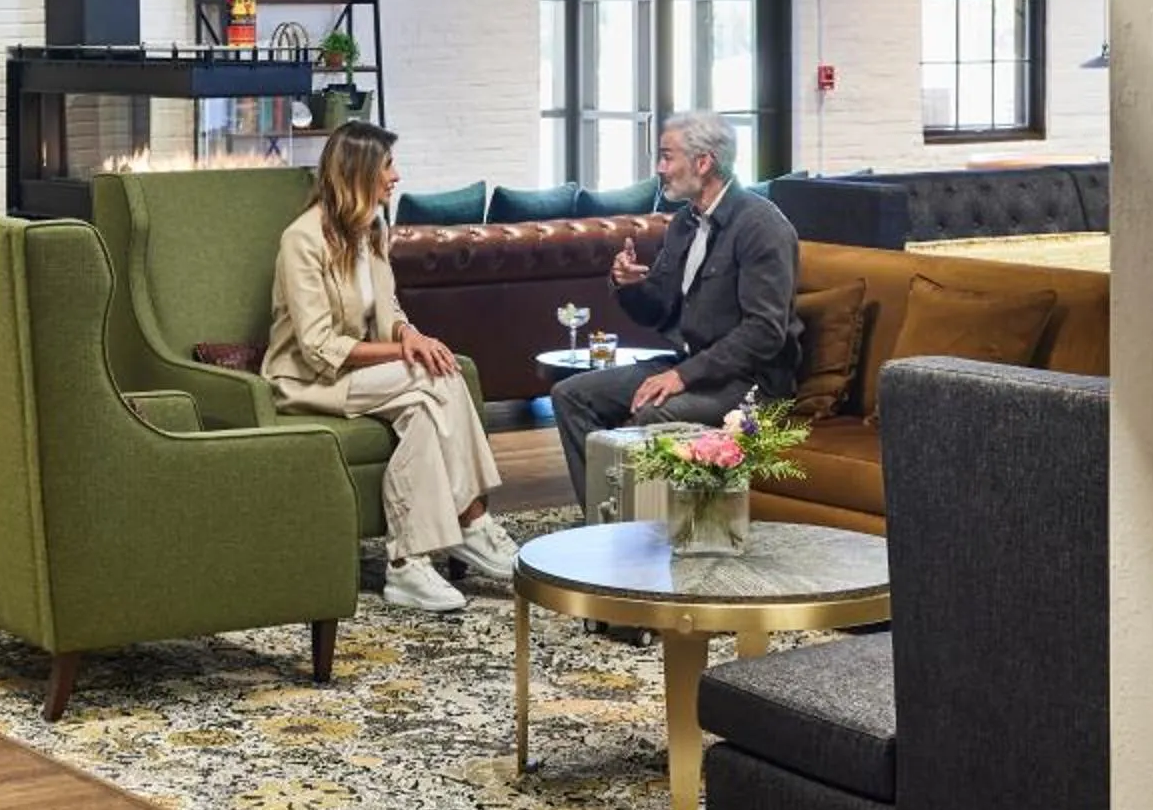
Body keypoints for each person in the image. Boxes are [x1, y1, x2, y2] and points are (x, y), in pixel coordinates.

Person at [265, 120, 521, 613]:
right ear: (357, 172)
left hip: (369, 375)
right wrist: (404, 354)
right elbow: (317, 347)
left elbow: (389, 310)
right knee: (431, 376)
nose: (396, 176)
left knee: (426, 408)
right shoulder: (301, 240)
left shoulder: (371, 232)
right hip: (310, 380)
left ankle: (408, 565)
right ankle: (470, 519)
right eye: (388, 166)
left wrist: (410, 335)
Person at [551, 111, 802, 512]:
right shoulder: (684, 222)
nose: (659, 169)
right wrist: (628, 287)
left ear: (703, 162)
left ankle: (640, 525)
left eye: (668, 157)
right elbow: (659, 311)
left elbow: (764, 332)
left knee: (651, 411)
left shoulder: (761, 226)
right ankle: (603, 520)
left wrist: (681, 375)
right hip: (692, 366)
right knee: (571, 396)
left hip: (751, 383)